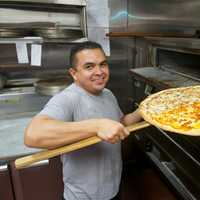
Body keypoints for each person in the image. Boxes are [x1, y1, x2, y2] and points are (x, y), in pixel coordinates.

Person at [24, 41, 142, 200]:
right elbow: (33, 135)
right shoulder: (68, 98)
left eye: (103, 64)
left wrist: (143, 111)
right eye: (89, 67)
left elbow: (120, 124)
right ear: (74, 73)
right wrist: (97, 125)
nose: (99, 72)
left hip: (113, 189)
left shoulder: (107, 94)